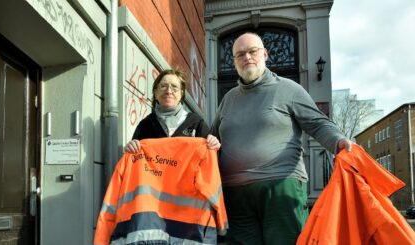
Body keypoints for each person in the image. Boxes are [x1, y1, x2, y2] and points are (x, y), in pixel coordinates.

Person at [210, 32, 353, 244]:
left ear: (265, 54)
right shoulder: (228, 99)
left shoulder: (289, 89)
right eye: (240, 54)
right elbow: (211, 139)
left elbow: (318, 122)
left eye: (252, 52)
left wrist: (338, 141)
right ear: (234, 61)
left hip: (280, 187)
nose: (247, 57)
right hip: (234, 195)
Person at [125, 69, 220, 153]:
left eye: (174, 87)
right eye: (163, 86)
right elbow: (135, 160)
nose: (169, 91)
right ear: (155, 93)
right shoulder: (145, 125)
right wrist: (131, 148)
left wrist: (214, 143)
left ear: (181, 94)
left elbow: (210, 156)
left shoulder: (196, 123)